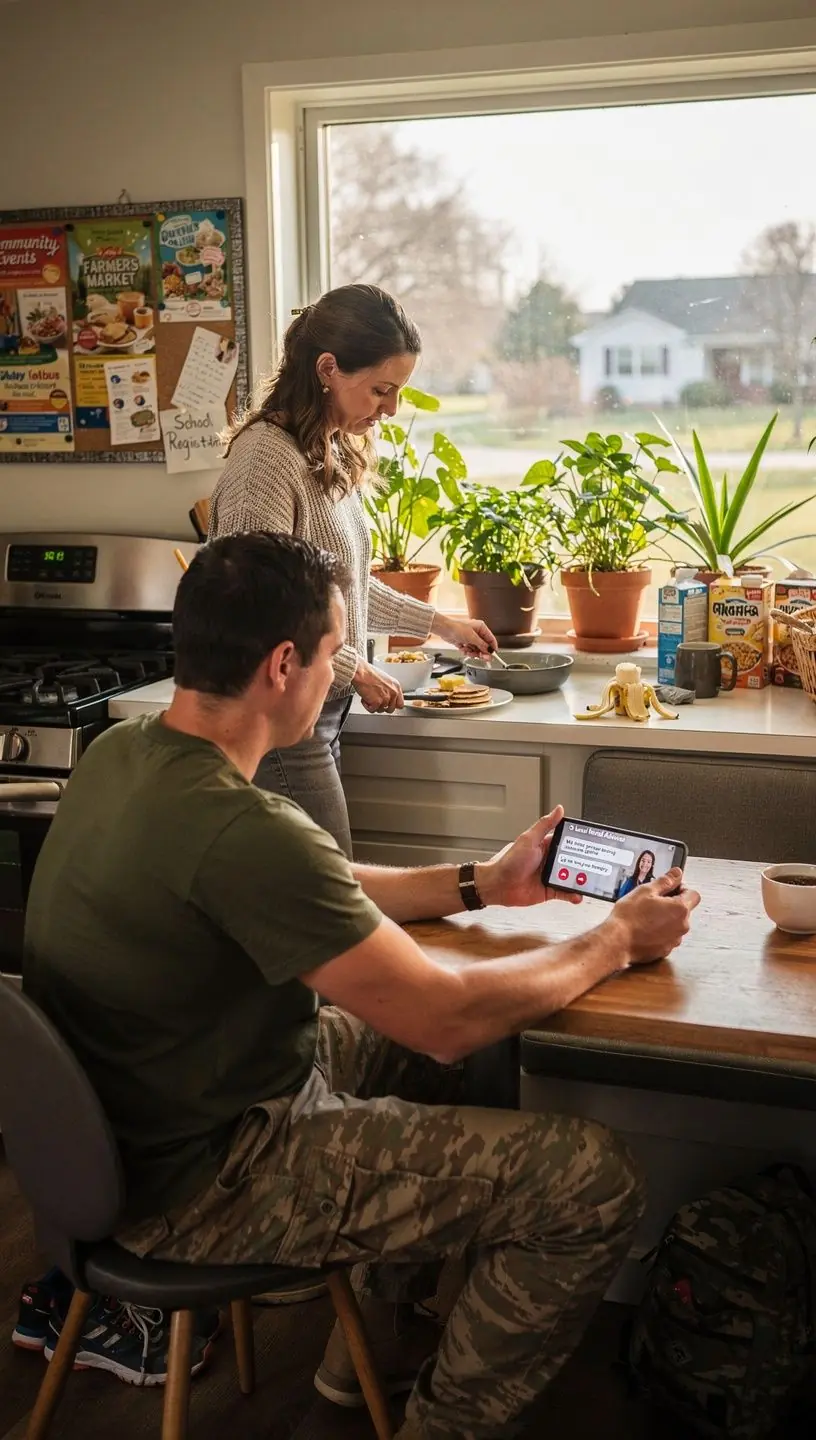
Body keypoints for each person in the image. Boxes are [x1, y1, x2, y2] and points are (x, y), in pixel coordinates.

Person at [24, 533, 699, 1438]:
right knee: (595, 1182)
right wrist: (616, 938)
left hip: (137, 1129)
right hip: (208, 1184)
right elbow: (445, 1019)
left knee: (462, 1046)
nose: (340, 669)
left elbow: (307, 892)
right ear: (282, 665)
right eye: (337, 651)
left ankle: (359, 1353)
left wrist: (482, 884)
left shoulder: (122, 753)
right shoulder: (245, 825)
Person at [208, 283, 497, 855]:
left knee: (308, 898)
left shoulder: (323, 448)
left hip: (317, 709)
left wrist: (440, 624)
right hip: (277, 720)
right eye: (380, 390)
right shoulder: (264, 464)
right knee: (329, 897)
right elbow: (255, 610)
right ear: (327, 369)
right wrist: (355, 667)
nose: (390, 409)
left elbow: (338, 583)